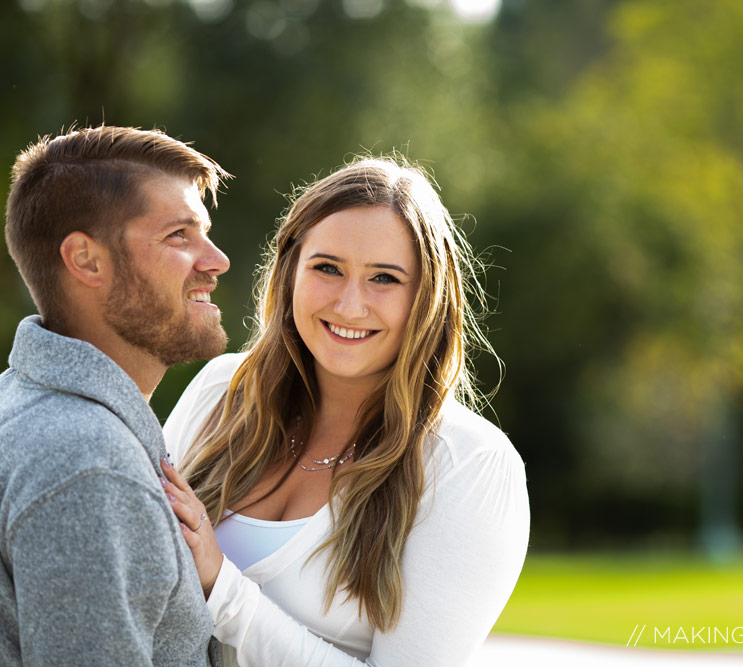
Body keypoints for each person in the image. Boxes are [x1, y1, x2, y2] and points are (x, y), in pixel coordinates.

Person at [160, 157, 530, 667]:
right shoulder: (223, 390)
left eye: (384, 278)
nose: (350, 305)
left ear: (427, 299)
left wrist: (220, 588)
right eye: (328, 268)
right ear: (290, 271)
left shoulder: (468, 464)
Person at [0, 125, 231, 666]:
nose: (216, 260)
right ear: (85, 260)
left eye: (206, 232)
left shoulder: (23, 407)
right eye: (179, 235)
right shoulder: (88, 463)